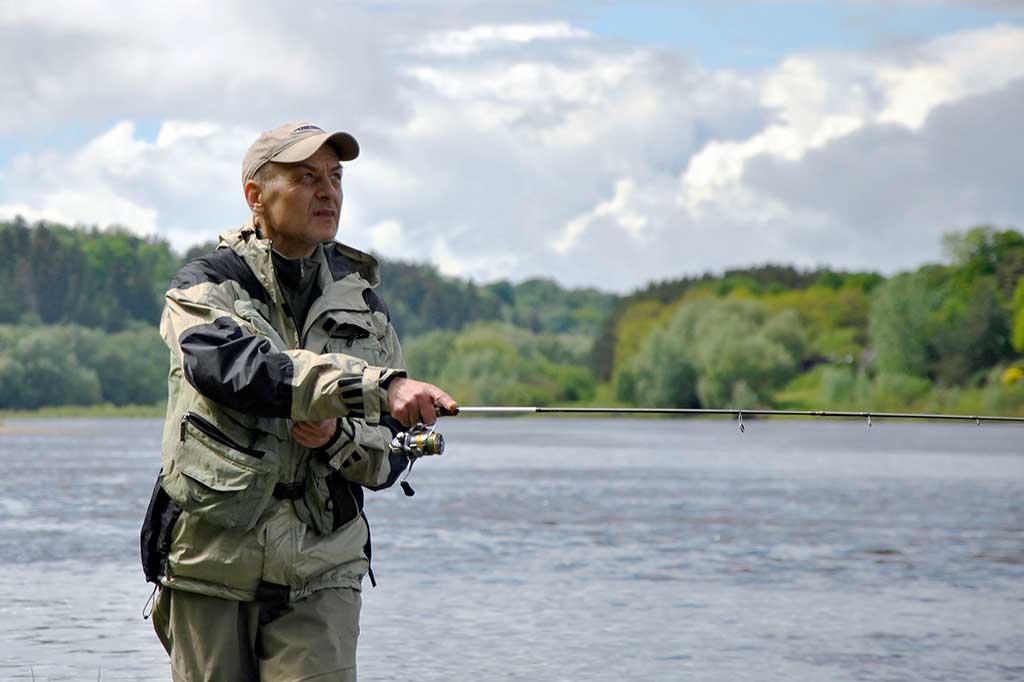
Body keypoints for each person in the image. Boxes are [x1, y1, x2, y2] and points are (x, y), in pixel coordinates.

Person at [140, 121, 456, 681]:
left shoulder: (366, 305)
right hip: (210, 564)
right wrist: (377, 388)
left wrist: (339, 438)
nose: (328, 191)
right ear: (255, 196)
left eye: (335, 178)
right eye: (307, 177)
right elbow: (236, 370)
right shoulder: (204, 287)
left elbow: (390, 457)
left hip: (325, 565)